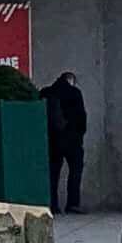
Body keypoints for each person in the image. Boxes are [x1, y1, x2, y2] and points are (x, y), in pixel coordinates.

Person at [42, 71, 89, 212]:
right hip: (72, 140)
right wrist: (80, 134)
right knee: (75, 171)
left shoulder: (46, 92)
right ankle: (72, 204)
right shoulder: (74, 93)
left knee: (53, 174)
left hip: (53, 140)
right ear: (71, 80)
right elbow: (82, 116)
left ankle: (52, 205)